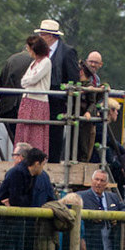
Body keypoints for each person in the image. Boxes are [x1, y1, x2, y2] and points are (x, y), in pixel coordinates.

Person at [36, 19, 80, 162]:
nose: (40, 38)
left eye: (42, 34)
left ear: (50, 36)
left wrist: (68, 105)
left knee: (54, 138)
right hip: (41, 100)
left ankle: (52, 165)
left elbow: (73, 80)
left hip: (58, 103)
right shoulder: (40, 52)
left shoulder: (68, 52)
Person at [81, 167, 125, 250]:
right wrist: (92, 218)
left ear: (106, 184)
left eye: (102, 181)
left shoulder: (112, 197)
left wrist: (117, 217)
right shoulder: (82, 196)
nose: (98, 183)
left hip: (109, 245)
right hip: (91, 245)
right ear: (91, 180)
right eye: (96, 179)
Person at [14, 35, 52, 156]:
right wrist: (27, 81)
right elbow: (24, 81)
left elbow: (33, 79)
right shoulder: (33, 63)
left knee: (36, 131)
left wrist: (27, 81)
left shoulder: (46, 62)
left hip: (38, 101)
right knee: (24, 129)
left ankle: (35, 156)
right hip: (27, 100)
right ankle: (22, 154)